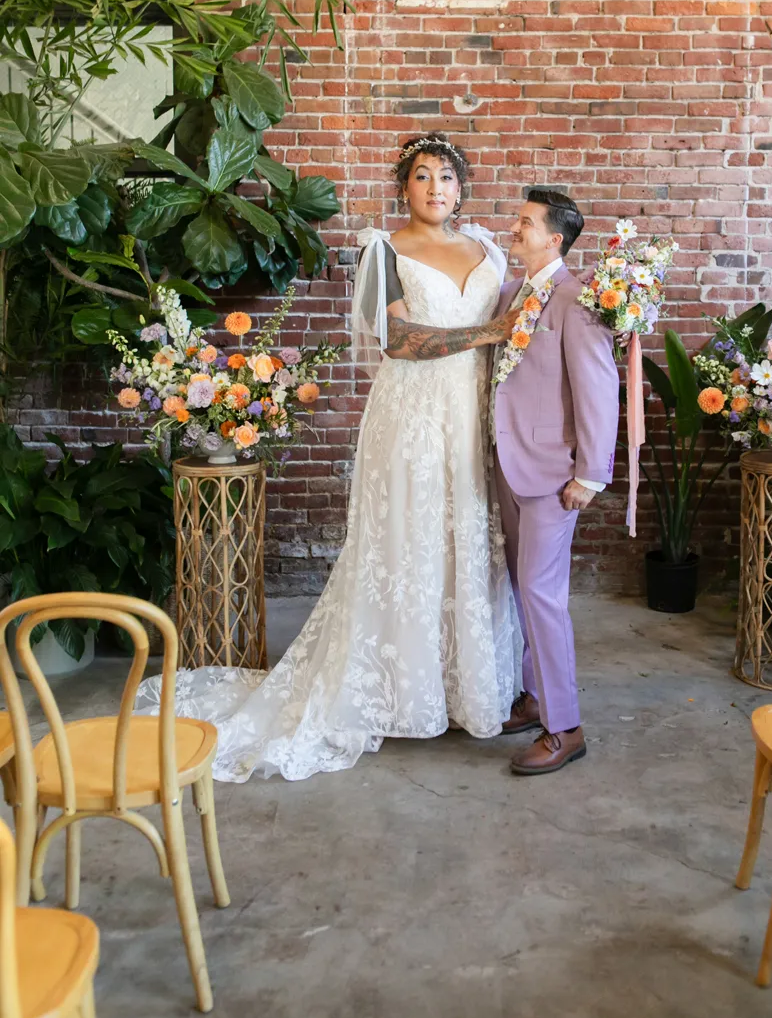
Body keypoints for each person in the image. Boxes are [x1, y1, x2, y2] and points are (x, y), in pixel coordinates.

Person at [136, 134, 519, 783]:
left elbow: (521, 327)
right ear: (403, 188)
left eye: (447, 177)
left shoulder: (489, 249)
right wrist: (490, 332)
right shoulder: (383, 251)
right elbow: (399, 340)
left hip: (472, 415)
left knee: (467, 540)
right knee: (410, 545)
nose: (436, 188)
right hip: (412, 418)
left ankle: (462, 689)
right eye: (422, 176)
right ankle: (398, 694)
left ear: (461, 189)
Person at [491, 188, 619, 776]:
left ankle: (565, 727)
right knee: (522, 589)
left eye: (525, 222)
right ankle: (535, 696)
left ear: (554, 238)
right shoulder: (511, 294)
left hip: (553, 473)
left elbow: (598, 390)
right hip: (507, 462)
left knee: (543, 595)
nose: (515, 228)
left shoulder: (576, 300)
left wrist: (589, 474)